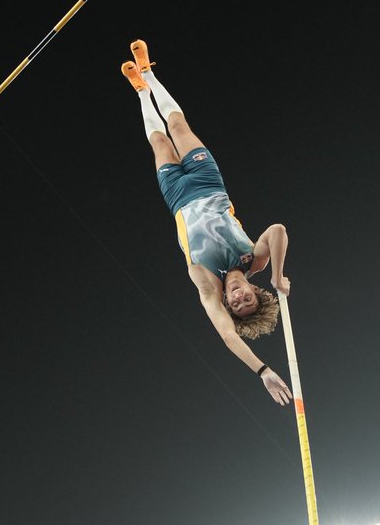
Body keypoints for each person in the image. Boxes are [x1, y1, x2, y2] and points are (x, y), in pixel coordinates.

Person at [121, 39, 294, 406]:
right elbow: (278, 230)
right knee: (179, 124)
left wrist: (262, 371)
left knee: (159, 142)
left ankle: (139, 91)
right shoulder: (255, 260)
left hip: (177, 197)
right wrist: (278, 274)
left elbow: (228, 336)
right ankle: (149, 72)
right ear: (255, 292)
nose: (238, 297)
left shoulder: (206, 282)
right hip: (208, 181)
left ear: (229, 305)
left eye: (236, 304)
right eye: (248, 299)